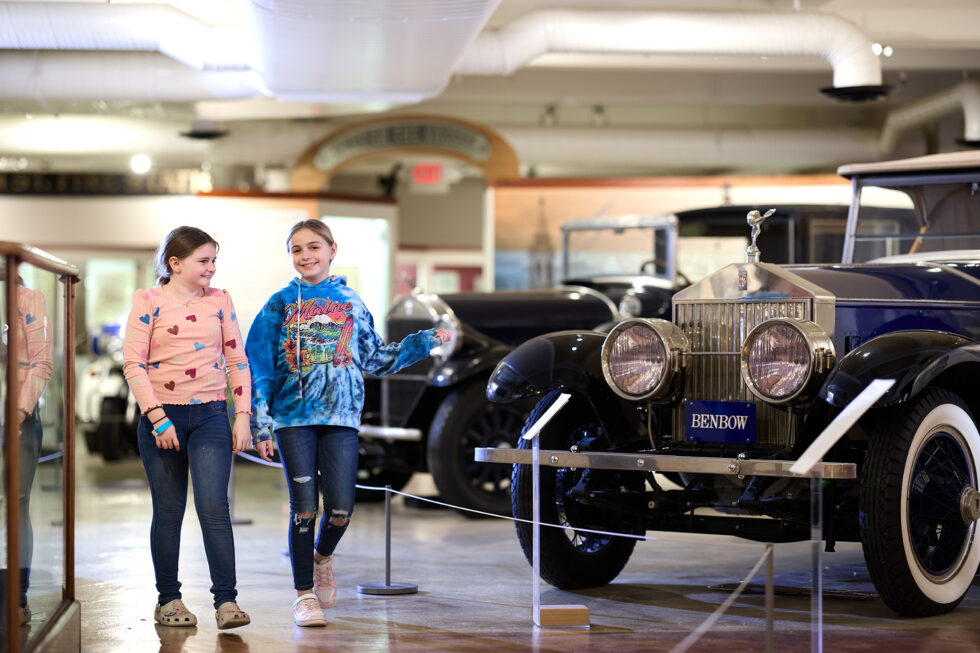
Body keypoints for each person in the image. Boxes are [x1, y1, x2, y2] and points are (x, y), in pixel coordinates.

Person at [246, 219, 449, 627]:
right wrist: (260, 424)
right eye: (297, 250)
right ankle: (304, 595)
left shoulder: (352, 302)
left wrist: (423, 342)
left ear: (332, 250)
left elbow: (376, 358)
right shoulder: (279, 303)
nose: (306, 256)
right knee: (304, 509)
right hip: (292, 420)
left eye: (314, 247)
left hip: (342, 418)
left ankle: (322, 558)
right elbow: (261, 366)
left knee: (340, 509)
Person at [122, 226, 253, 630]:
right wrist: (157, 417)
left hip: (212, 415)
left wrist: (243, 415)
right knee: (169, 511)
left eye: (214, 260)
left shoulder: (221, 300)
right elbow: (133, 364)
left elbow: (237, 359)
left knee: (214, 507)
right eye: (204, 261)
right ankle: (169, 600)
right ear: (174, 264)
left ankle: (226, 602)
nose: (212, 269)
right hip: (162, 419)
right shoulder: (148, 300)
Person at [0, 270, 53, 627]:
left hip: (16, 416)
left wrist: (17, 412)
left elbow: (42, 361)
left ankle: (17, 596)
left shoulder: (27, 299)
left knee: (17, 504)